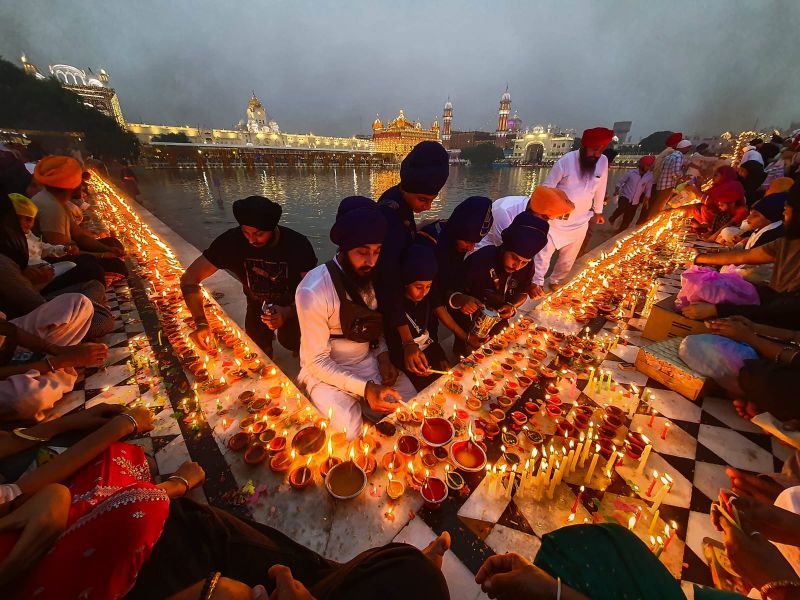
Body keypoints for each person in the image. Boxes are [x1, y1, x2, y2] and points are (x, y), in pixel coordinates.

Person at [0, 489, 451, 600]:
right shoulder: (319, 287)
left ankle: (355, 574)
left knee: (405, 575)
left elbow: (51, 498)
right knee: (411, 579)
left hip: (184, 543)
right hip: (188, 549)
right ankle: (361, 573)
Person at [296, 197, 416, 437]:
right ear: (344, 249)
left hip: (366, 363)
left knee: (411, 406)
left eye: (377, 252)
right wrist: (366, 389)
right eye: (362, 252)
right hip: (325, 373)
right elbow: (316, 361)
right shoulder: (313, 291)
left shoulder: (370, 277)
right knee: (350, 434)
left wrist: (382, 358)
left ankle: (370, 407)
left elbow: (373, 327)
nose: (371, 261)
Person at [181, 195, 317, 359]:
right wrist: (201, 323)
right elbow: (189, 278)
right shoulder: (232, 242)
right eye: (246, 233)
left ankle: (298, 345)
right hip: (256, 306)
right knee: (256, 352)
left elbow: (315, 291)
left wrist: (287, 312)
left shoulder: (297, 245)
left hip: (295, 305)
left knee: (293, 340)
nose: (251, 240)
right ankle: (266, 345)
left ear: (272, 228)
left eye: (259, 234)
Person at [682, 184, 800, 327]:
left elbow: (783, 312)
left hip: (779, 324)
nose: (783, 216)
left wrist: (718, 310)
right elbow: (744, 256)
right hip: (769, 306)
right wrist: (699, 258)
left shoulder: (780, 238)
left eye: (787, 210)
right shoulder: (787, 242)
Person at [376, 141, 450, 353]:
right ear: (406, 188)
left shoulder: (402, 199)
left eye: (431, 200)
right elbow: (387, 279)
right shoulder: (389, 215)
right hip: (389, 293)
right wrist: (408, 342)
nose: (427, 207)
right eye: (422, 200)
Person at [0, 294, 107, 421]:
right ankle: (58, 371)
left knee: (79, 303)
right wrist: (58, 362)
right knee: (27, 399)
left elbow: (7, 328)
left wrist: (57, 350)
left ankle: (44, 368)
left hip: (8, 345)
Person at [532, 127, 612, 294]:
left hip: (581, 220)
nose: (597, 155)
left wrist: (598, 212)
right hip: (556, 220)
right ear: (584, 146)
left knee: (568, 258)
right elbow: (547, 187)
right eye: (594, 150)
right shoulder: (566, 161)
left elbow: (600, 188)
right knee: (543, 255)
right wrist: (542, 212)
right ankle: (536, 282)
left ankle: (556, 280)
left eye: (601, 150)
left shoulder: (602, 161)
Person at [453, 211, 549, 346]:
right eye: (514, 258)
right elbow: (451, 292)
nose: (517, 267)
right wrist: (463, 300)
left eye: (524, 262)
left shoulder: (528, 266)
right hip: (469, 322)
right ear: (504, 248)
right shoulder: (481, 259)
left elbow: (522, 292)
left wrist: (512, 305)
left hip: (499, 322)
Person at [417, 196, 496, 353]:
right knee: (429, 345)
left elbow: (449, 280)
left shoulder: (455, 239)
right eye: (468, 241)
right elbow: (433, 298)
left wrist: (459, 298)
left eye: (475, 242)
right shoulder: (428, 243)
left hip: (439, 294)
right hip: (420, 302)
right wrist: (465, 336)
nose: (471, 248)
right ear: (457, 230)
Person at [31, 156, 127, 279]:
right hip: (51, 263)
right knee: (114, 266)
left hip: (70, 250)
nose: (83, 184)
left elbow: (79, 236)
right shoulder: (52, 208)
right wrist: (102, 255)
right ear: (71, 185)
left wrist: (108, 249)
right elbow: (63, 253)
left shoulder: (59, 202)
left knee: (113, 243)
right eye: (79, 180)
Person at [385, 244, 449, 391]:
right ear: (406, 283)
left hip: (427, 356)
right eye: (418, 287)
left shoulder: (425, 302)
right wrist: (413, 366)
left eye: (428, 286)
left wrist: (441, 357)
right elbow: (393, 348)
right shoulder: (394, 307)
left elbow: (430, 336)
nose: (423, 293)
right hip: (403, 361)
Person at [644, 139, 692, 221]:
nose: (688, 150)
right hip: (668, 184)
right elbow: (676, 172)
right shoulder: (679, 156)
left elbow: (663, 169)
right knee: (659, 205)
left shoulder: (670, 156)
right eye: (688, 148)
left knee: (657, 203)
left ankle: (650, 219)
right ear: (684, 147)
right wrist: (683, 177)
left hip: (661, 183)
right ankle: (651, 220)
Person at [609, 155, 655, 232]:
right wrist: (616, 190)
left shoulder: (649, 176)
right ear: (642, 165)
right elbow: (620, 182)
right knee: (621, 208)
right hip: (625, 196)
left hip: (635, 201)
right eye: (647, 166)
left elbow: (648, 189)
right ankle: (612, 218)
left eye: (649, 166)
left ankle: (620, 231)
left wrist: (646, 200)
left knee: (629, 218)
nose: (648, 168)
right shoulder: (631, 173)